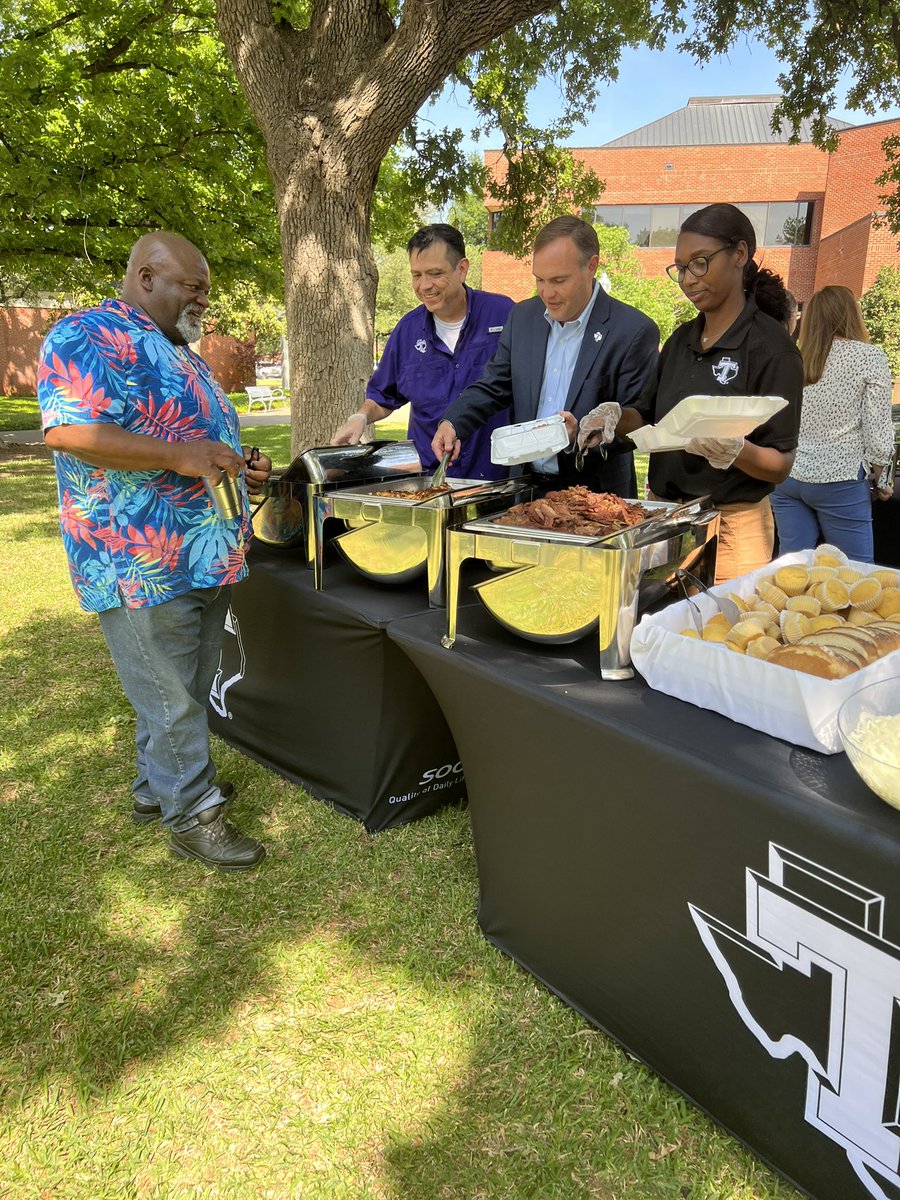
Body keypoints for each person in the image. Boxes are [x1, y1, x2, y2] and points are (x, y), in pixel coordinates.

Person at [37, 231, 272, 872]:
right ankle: (193, 812)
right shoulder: (86, 335)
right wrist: (182, 455)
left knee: (183, 686)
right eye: (191, 288)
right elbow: (67, 429)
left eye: (205, 291)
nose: (202, 301)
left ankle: (153, 789)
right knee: (170, 696)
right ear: (146, 276)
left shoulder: (179, 351)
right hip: (140, 557)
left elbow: (196, 438)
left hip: (200, 553)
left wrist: (239, 463)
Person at [586, 203, 803, 583]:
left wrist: (737, 451)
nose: (688, 279)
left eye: (700, 263)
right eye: (681, 269)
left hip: (734, 524)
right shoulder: (681, 341)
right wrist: (616, 417)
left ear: (739, 254)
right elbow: (646, 412)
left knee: (725, 632)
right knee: (658, 625)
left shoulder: (772, 348)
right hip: (667, 516)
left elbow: (780, 463)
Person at [431, 216, 659, 497]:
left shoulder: (633, 330)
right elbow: (493, 385)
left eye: (558, 280)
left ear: (591, 266)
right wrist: (452, 422)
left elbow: (638, 422)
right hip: (525, 492)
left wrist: (589, 430)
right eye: (539, 279)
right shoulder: (523, 317)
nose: (546, 293)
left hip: (596, 498)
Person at [331, 224, 514, 479]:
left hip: (500, 480)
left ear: (462, 269)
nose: (424, 285)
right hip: (432, 484)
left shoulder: (504, 314)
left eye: (435, 273)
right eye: (416, 275)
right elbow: (384, 396)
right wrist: (360, 417)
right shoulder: (407, 332)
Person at [770, 285, 895, 562]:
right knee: (856, 576)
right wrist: (883, 481)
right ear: (852, 314)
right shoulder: (868, 356)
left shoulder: (795, 356)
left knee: (793, 572)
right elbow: (878, 434)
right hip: (839, 478)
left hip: (788, 477)